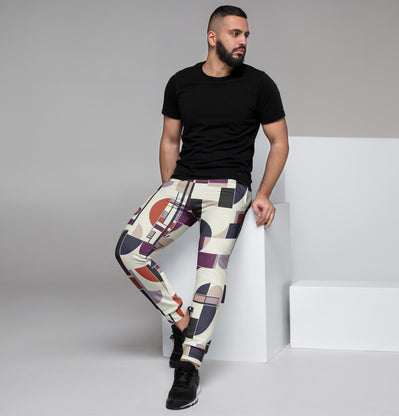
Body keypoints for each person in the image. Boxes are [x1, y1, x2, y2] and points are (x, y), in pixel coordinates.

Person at [115, 5, 289, 410]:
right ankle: (182, 322)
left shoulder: (260, 84)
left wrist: (263, 193)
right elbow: (169, 140)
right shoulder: (181, 82)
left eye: (246, 35)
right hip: (184, 183)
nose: (242, 41)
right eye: (234, 34)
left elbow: (279, 142)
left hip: (229, 188)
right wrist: (169, 188)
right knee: (128, 250)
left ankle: (190, 365)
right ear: (212, 37)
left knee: (209, 275)